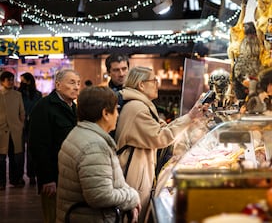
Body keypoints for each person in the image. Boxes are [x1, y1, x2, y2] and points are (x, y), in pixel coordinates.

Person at [115, 66, 208, 223]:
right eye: (154, 80)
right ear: (141, 84)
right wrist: (190, 117)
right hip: (134, 175)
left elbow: (161, 128)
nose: (157, 84)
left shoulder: (141, 105)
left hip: (139, 172)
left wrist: (190, 118)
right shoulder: (136, 108)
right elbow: (159, 137)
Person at [56, 86, 140, 223]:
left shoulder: (80, 133)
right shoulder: (94, 146)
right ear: (105, 114)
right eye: (116, 110)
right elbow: (100, 196)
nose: (117, 115)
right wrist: (132, 197)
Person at [28, 69, 81, 223]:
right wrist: (47, 178)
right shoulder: (44, 107)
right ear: (58, 85)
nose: (76, 87)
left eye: (78, 83)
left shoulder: (73, 107)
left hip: (70, 177)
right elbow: (38, 146)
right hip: (53, 179)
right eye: (71, 82)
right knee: (53, 217)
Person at [0, 71, 25, 190]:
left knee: (16, 157)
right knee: (1, 159)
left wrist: (20, 124)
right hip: (1, 130)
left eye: (12, 79)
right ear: (2, 81)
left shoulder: (17, 95)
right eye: (8, 80)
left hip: (15, 130)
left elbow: (22, 112)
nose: (10, 82)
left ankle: (15, 180)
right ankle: (1, 182)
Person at [18, 72, 43, 186]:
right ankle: (19, 176)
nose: (21, 82)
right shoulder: (18, 94)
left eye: (23, 80)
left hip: (33, 124)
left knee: (31, 151)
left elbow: (39, 109)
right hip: (20, 124)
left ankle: (32, 175)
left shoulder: (38, 94)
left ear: (28, 80)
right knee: (19, 151)